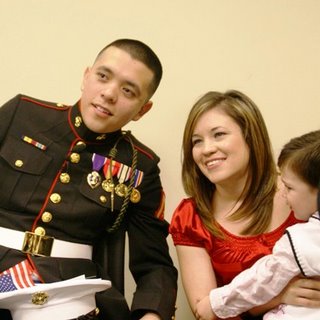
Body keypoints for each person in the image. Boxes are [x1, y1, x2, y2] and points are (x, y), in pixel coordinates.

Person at [0, 38, 177, 320]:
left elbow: (155, 264)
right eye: (103, 77)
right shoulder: (23, 113)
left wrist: (152, 314)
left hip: (65, 290)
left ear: (143, 110)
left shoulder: (140, 166)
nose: (109, 94)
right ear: (86, 76)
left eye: (128, 91)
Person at [169, 90, 320, 320]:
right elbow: (204, 310)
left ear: (250, 137)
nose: (206, 149)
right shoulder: (191, 216)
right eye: (197, 141)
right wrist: (277, 297)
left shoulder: (302, 193)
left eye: (218, 135)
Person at [195, 129, 320, 320]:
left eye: (290, 187)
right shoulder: (191, 215)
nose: (283, 193)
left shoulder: (302, 239)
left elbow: (261, 280)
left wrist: (215, 303)